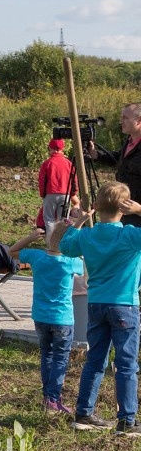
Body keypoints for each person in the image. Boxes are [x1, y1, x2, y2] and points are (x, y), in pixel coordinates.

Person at [60, 181, 141, 435]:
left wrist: (81, 220)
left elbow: (65, 245)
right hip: (125, 305)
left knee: (95, 359)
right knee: (126, 363)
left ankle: (84, 413)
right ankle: (126, 421)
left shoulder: (87, 235)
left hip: (96, 304)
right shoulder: (129, 235)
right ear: (124, 209)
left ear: (96, 206)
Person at [10, 224, 84, 415]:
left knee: (47, 355)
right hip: (63, 319)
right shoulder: (71, 261)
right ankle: (53, 399)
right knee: (60, 358)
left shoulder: (37, 256)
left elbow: (12, 251)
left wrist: (31, 236)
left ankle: (48, 397)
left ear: (47, 239)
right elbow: (86, 268)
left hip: (41, 317)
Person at [89, 103, 141, 227]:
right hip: (124, 209)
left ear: (139, 121)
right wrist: (95, 154)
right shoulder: (129, 142)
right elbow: (118, 158)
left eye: (125, 118)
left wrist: (139, 210)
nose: (121, 121)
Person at [37, 138, 77, 237]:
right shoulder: (68, 163)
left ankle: (51, 243)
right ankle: (62, 242)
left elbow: (42, 180)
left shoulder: (47, 163)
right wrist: (73, 193)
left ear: (50, 148)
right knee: (63, 220)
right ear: (62, 148)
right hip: (65, 194)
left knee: (49, 219)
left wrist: (43, 194)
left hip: (51, 193)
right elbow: (74, 179)